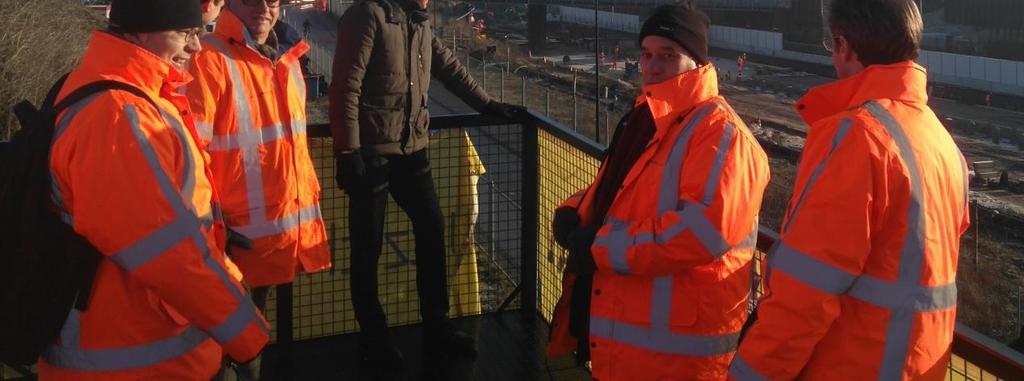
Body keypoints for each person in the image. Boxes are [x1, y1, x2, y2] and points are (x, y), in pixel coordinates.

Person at [730, 1, 970, 379]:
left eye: (832, 44)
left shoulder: (858, 136)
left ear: (843, 45)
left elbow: (805, 293)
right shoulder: (941, 143)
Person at [39, 0, 269, 379]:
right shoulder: (119, 116)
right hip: (135, 360)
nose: (196, 47)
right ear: (142, 30)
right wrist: (246, 333)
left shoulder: (112, 92)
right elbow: (170, 253)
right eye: (185, 33)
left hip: (141, 351)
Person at [546, 4, 770, 380]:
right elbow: (626, 189)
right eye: (646, 54)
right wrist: (574, 209)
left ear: (697, 62)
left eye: (668, 55)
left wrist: (599, 247)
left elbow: (701, 231)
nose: (652, 66)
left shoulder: (722, 136)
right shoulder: (651, 120)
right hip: (629, 338)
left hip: (678, 358)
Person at [329, 0, 522, 373]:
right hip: (371, 153)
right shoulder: (368, 14)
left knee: (432, 230)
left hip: (411, 149)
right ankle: (374, 338)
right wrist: (348, 149)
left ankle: (437, 327)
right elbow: (345, 85)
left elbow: (449, 68)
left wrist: (486, 104)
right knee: (367, 248)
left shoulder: (419, 22)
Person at [187, 0, 332, 378]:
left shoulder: (287, 61)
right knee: (229, 353)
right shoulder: (208, 60)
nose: (263, 8)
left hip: (274, 238)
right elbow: (190, 158)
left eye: (272, 0)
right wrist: (214, 225)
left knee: (254, 342)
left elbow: (290, 147)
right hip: (231, 245)